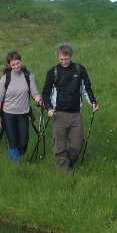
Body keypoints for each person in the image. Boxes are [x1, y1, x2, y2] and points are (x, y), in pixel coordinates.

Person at [41, 44, 98, 172]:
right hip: (58, 113)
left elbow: (86, 88)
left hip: (76, 114)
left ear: (70, 56)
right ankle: (64, 172)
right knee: (59, 145)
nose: (64, 61)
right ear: (58, 57)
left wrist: (93, 102)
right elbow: (46, 93)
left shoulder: (79, 70)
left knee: (77, 146)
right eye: (61, 59)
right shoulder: (53, 72)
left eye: (66, 59)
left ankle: (68, 163)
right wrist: (49, 108)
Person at [0, 51, 44, 162]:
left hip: (23, 114)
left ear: (21, 62)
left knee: (23, 142)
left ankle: (18, 155)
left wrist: (40, 101)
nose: (16, 66)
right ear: (9, 65)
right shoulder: (5, 79)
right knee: (13, 141)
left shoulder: (27, 76)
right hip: (8, 114)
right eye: (13, 65)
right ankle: (16, 164)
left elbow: (34, 93)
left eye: (18, 63)